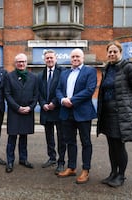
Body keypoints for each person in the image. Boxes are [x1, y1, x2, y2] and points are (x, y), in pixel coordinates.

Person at [97, 41, 132, 187]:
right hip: (107, 114)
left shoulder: (129, 68)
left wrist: (128, 105)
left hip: (120, 114)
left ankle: (121, 176)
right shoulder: (107, 68)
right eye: (109, 52)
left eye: (114, 51)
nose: (112, 54)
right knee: (111, 145)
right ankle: (113, 173)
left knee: (119, 146)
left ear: (120, 53)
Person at [56, 48, 97, 184]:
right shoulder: (64, 73)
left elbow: (89, 90)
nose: (75, 59)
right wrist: (62, 100)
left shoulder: (90, 71)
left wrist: (71, 100)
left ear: (83, 58)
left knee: (86, 142)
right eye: (73, 56)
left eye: (78, 56)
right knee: (70, 141)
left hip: (83, 113)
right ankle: (71, 167)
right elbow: (58, 89)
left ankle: (86, 170)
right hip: (66, 112)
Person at [4, 53, 38, 173]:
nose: (21, 63)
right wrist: (17, 107)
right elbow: (7, 94)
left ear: (26, 63)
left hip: (28, 112)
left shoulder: (33, 77)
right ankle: (10, 161)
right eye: (19, 61)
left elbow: (36, 95)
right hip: (15, 112)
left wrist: (30, 107)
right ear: (15, 63)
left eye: (23, 61)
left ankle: (23, 159)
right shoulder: (9, 76)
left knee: (24, 137)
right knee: (12, 138)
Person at [37, 49, 66, 175]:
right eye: (47, 58)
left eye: (51, 58)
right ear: (44, 60)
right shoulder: (40, 74)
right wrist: (43, 103)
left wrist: (54, 102)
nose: (49, 60)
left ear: (56, 59)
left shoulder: (63, 72)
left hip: (58, 109)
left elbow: (63, 89)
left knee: (61, 137)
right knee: (49, 136)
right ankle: (52, 157)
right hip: (46, 110)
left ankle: (61, 161)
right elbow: (38, 91)